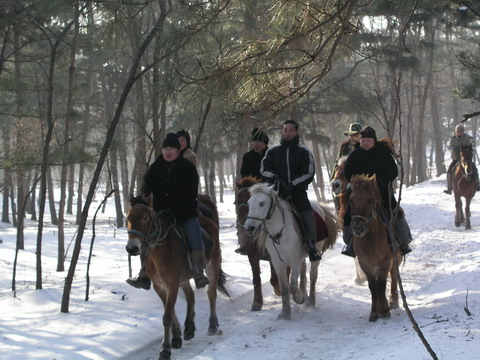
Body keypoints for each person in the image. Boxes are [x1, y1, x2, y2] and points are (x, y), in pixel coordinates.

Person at [126, 133, 209, 290]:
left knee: (194, 235)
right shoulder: (154, 169)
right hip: (159, 215)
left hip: (184, 214)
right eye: (165, 149)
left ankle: (198, 273)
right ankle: (144, 274)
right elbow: (147, 190)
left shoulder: (188, 169)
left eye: (171, 149)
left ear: (178, 151)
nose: (168, 152)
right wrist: (140, 202)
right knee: (144, 237)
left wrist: (174, 211)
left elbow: (190, 195)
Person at [341, 126, 412, 257]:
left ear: (374, 141)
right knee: (348, 213)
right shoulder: (354, 154)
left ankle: (403, 242)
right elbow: (347, 172)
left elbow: (393, 171)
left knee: (396, 211)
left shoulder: (383, 154)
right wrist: (357, 182)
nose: (365, 143)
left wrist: (380, 182)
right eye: (363, 140)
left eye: (368, 140)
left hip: (382, 191)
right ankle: (350, 244)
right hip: (360, 192)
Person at [260, 119, 322, 262]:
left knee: (307, 212)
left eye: (291, 130)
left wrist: (293, 184)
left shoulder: (304, 151)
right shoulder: (272, 151)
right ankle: (264, 248)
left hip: (297, 192)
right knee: (263, 212)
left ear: (296, 132)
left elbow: (309, 172)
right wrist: (276, 179)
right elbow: (264, 169)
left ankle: (312, 246)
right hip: (276, 191)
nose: (288, 133)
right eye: (285, 130)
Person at [235, 127, 269, 255]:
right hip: (251, 191)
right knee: (242, 207)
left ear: (265, 143)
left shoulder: (271, 154)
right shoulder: (247, 156)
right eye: (254, 141)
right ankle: (243, 241)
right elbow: (244, 174)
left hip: (268, 189)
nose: (256, 144)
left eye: (259, 141)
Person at [331, 123, 362, 212]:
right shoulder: (344, 147)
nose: (354, 136)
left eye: (356, 134)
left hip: (357, 177)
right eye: (352, 134)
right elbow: (338, 163)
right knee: (337, 196)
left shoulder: (363, 146)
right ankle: (339, 214)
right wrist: (333, 177)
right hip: (343, 176)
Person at [443, 123, 480, 194]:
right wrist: (454, 149)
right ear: (455, 131)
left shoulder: (469, 138)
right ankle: (449, 188)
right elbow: (448, 147)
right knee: (449, 170)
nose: (459, 132)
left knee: (475, 169)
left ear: (463, 131)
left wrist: (468, 148)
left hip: (467, 160)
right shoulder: (452, 139)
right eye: (458, 130)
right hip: (456, 159)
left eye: (461, 130)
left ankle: (477, 184)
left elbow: (474, 147)